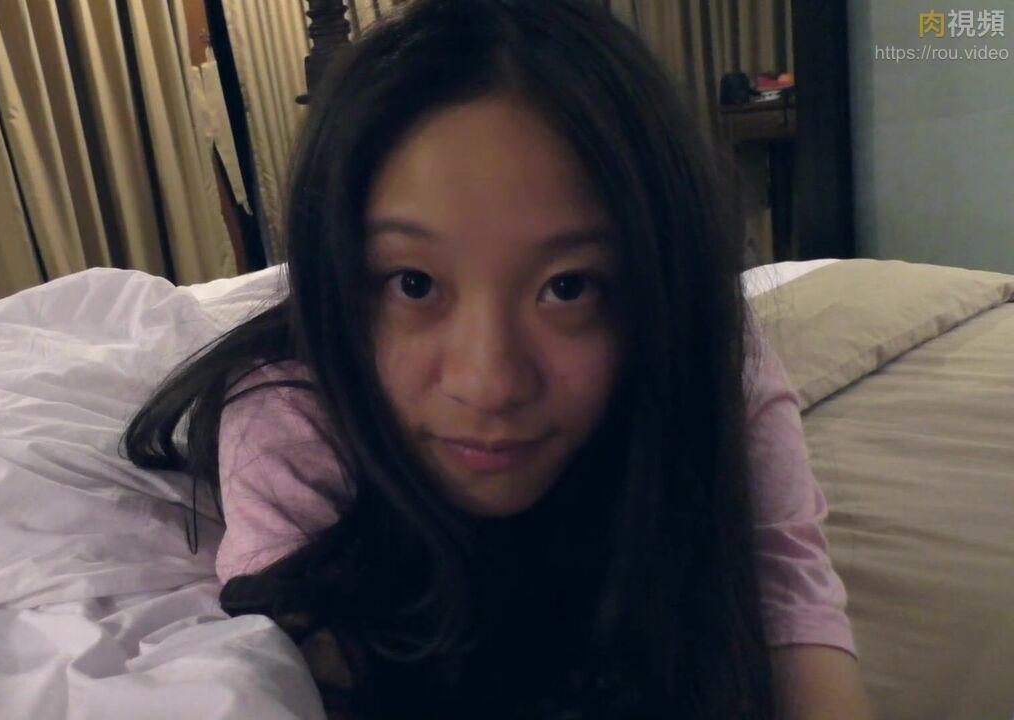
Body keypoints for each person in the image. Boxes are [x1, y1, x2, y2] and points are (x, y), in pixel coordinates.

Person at [124, 0, 872, 717]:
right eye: (414, 283)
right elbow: (298, 662)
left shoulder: (702, 354)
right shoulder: (288, 415)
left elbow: (788, 591)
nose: (489, 384)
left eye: (567, 287)